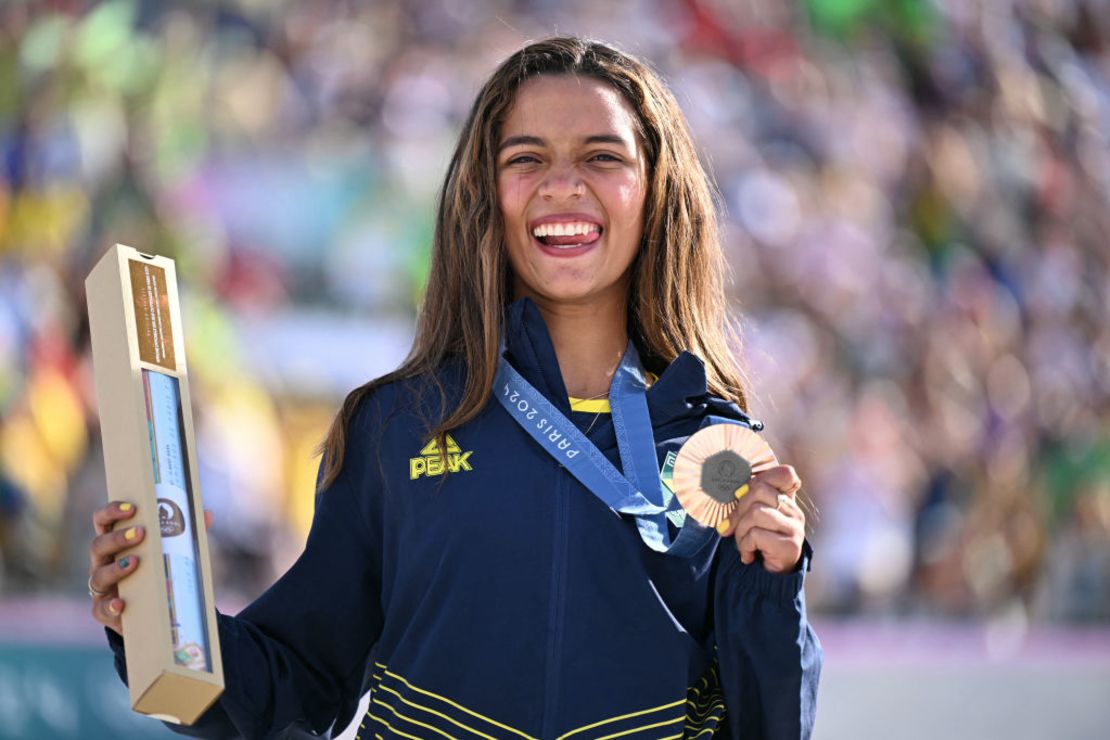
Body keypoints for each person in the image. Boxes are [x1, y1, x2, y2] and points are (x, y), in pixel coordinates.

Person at [87, 37, 821, 739]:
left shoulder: (721, 450)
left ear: (655, 189)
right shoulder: (399, 425)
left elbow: (772, 726)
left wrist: (772, 587)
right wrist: (157, 619)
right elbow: (297, 685)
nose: (563, 184)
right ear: (485, 193)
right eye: (526, 158)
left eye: (603, 156)